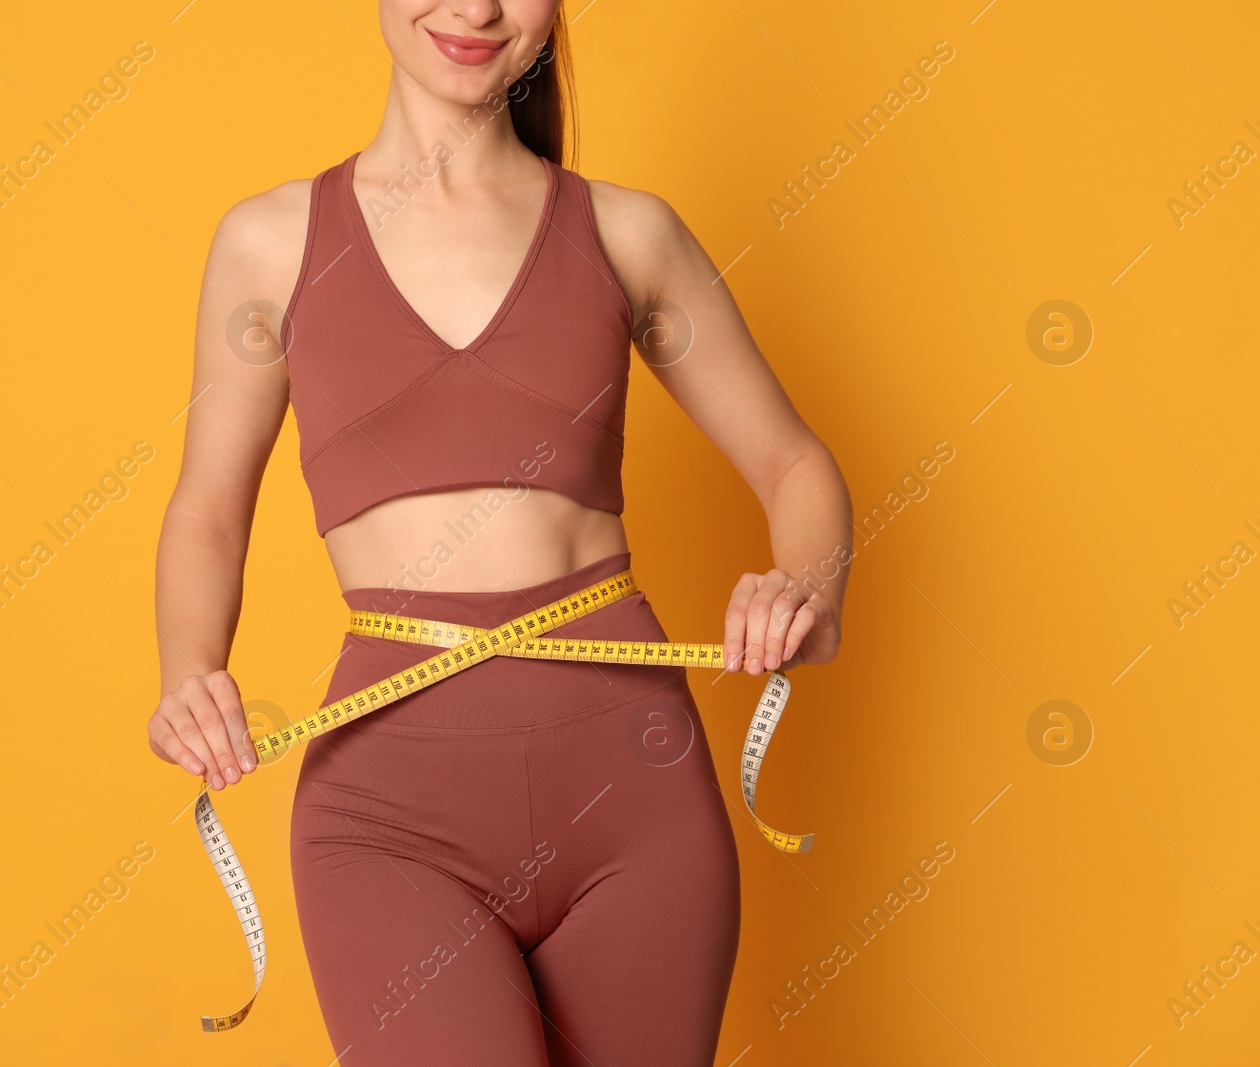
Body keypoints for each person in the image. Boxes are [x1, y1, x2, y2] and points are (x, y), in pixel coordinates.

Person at [150, 2, 852, 1063]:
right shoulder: (269, 243)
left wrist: (805, 588)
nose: (476, 8)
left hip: (634, 802)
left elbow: (794, 463)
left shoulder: (627, 232)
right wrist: (189, 671)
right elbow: (207, 505)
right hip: (391, 815)